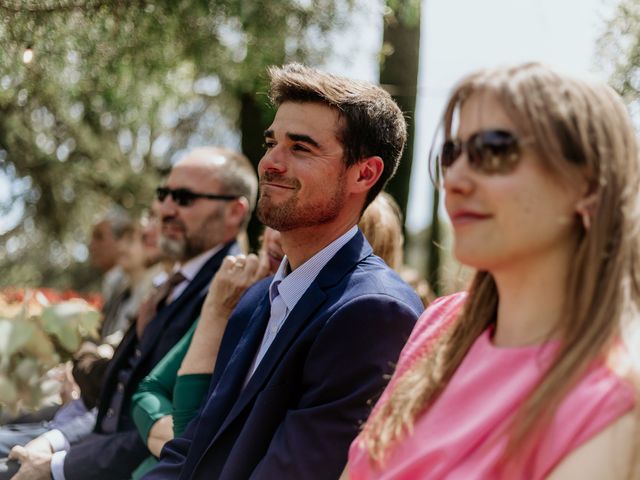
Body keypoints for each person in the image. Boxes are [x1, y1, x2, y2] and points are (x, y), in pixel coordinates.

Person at [345, 63, 640, 479]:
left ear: (589, 186)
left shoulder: (613, 396)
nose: (457, 179)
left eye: (495, 150)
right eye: (451, 154)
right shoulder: (440, 325)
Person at [143, 63, 423, 480]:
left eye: (301, 148)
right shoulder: (257, 299)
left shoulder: (373, 313)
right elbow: (193, 450)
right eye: (271, 142)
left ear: (364, 173)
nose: (270, 162)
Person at [6, 146, 257, 480]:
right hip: (89, 443)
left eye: (184, 198)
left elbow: (166, 424)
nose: (164, 209)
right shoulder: (174, 284)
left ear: (234, 212)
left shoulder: (228, 292)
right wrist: (55, 440)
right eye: (163, 194)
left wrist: (55, 466)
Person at [130, 228, 283, 478]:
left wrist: (182, 443)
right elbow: (148, 391)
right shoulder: (233, 291)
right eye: (273, 223)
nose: (276, 236)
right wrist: (185, 445)